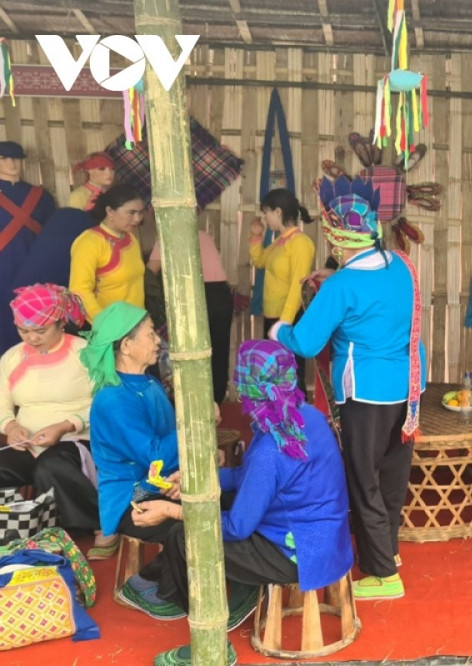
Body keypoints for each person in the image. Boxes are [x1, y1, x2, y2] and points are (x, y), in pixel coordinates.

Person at [136, 341, 353, 666]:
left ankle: (211, 643)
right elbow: (254, 480)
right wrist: (199, 481)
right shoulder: (306, 415)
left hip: (296, 554)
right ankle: (210, 589)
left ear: (247, 388)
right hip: (326, 537)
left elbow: (238, 527)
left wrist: (171, 510)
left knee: (183, 536)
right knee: (220, 502)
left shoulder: (269, 448)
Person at [272, 175, 425, 600]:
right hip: (407, 389)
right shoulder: (401, 265)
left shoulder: (341, 285)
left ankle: (383, 576)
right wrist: (335, 275)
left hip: (365, 394)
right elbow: (372, 292)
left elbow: (306, 343)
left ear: (337, 239)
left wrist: (279, 330)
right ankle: (388, 551)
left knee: (363, 480)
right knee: (391, 475)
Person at [0, 284, 118, 556]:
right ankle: (20, 528)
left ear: (61, 322)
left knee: (50, 465)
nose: (32, 338)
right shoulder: (12, 357)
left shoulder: (85, 352)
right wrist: (11, 426)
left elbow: (108, 402)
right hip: (28, 443)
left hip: (79, 438)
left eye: (41, 331)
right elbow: (2, 403)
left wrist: (67, 425)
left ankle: (101, 524)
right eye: (23, 331)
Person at [82, 301, 181, 607]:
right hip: (131, 495)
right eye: (151, 334)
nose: (158, 341)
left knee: (223, 501)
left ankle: (148, 579)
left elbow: (167, 446)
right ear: (126, 345)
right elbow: (155, 455)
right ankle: (166, 592)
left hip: (157, 481)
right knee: (191, 522)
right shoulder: (113, 399)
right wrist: (194, 428)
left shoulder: (147, 382)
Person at [148, 229, 233, 403]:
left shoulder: (169, 232)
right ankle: (216, 399)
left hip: (196, 293)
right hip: (221, 294)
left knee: (190, 350)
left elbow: (150, 271)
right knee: (218, 349)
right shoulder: (203, 234)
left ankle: (193, 401)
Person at [248, 189, 316, 390]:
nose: (265, 218)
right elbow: (260, 260)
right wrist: (256, 237)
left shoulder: (300, 243)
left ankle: (296, 410)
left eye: (266, 213)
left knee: (290, 376)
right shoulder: (280, 241)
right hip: (273, 317)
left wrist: (283, 323)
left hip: (288, 319)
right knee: (274, 376)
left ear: (278, 212)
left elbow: (298, 285)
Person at [0, 141, 56, 355]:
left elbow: (51, 235)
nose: (11, 163)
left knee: (36, 320)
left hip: (34, 270)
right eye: (4, 158)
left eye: (16, 158)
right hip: (2, 269)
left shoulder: (41, 196)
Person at [69, 185, 146, 323]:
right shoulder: (90, 242)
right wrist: (106, 324)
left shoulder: (131, 239)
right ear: (110, 211)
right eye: (131, 212)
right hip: (111, 327)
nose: (137, 219)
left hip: (136, 323)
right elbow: (80, 291)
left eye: (140, 213)